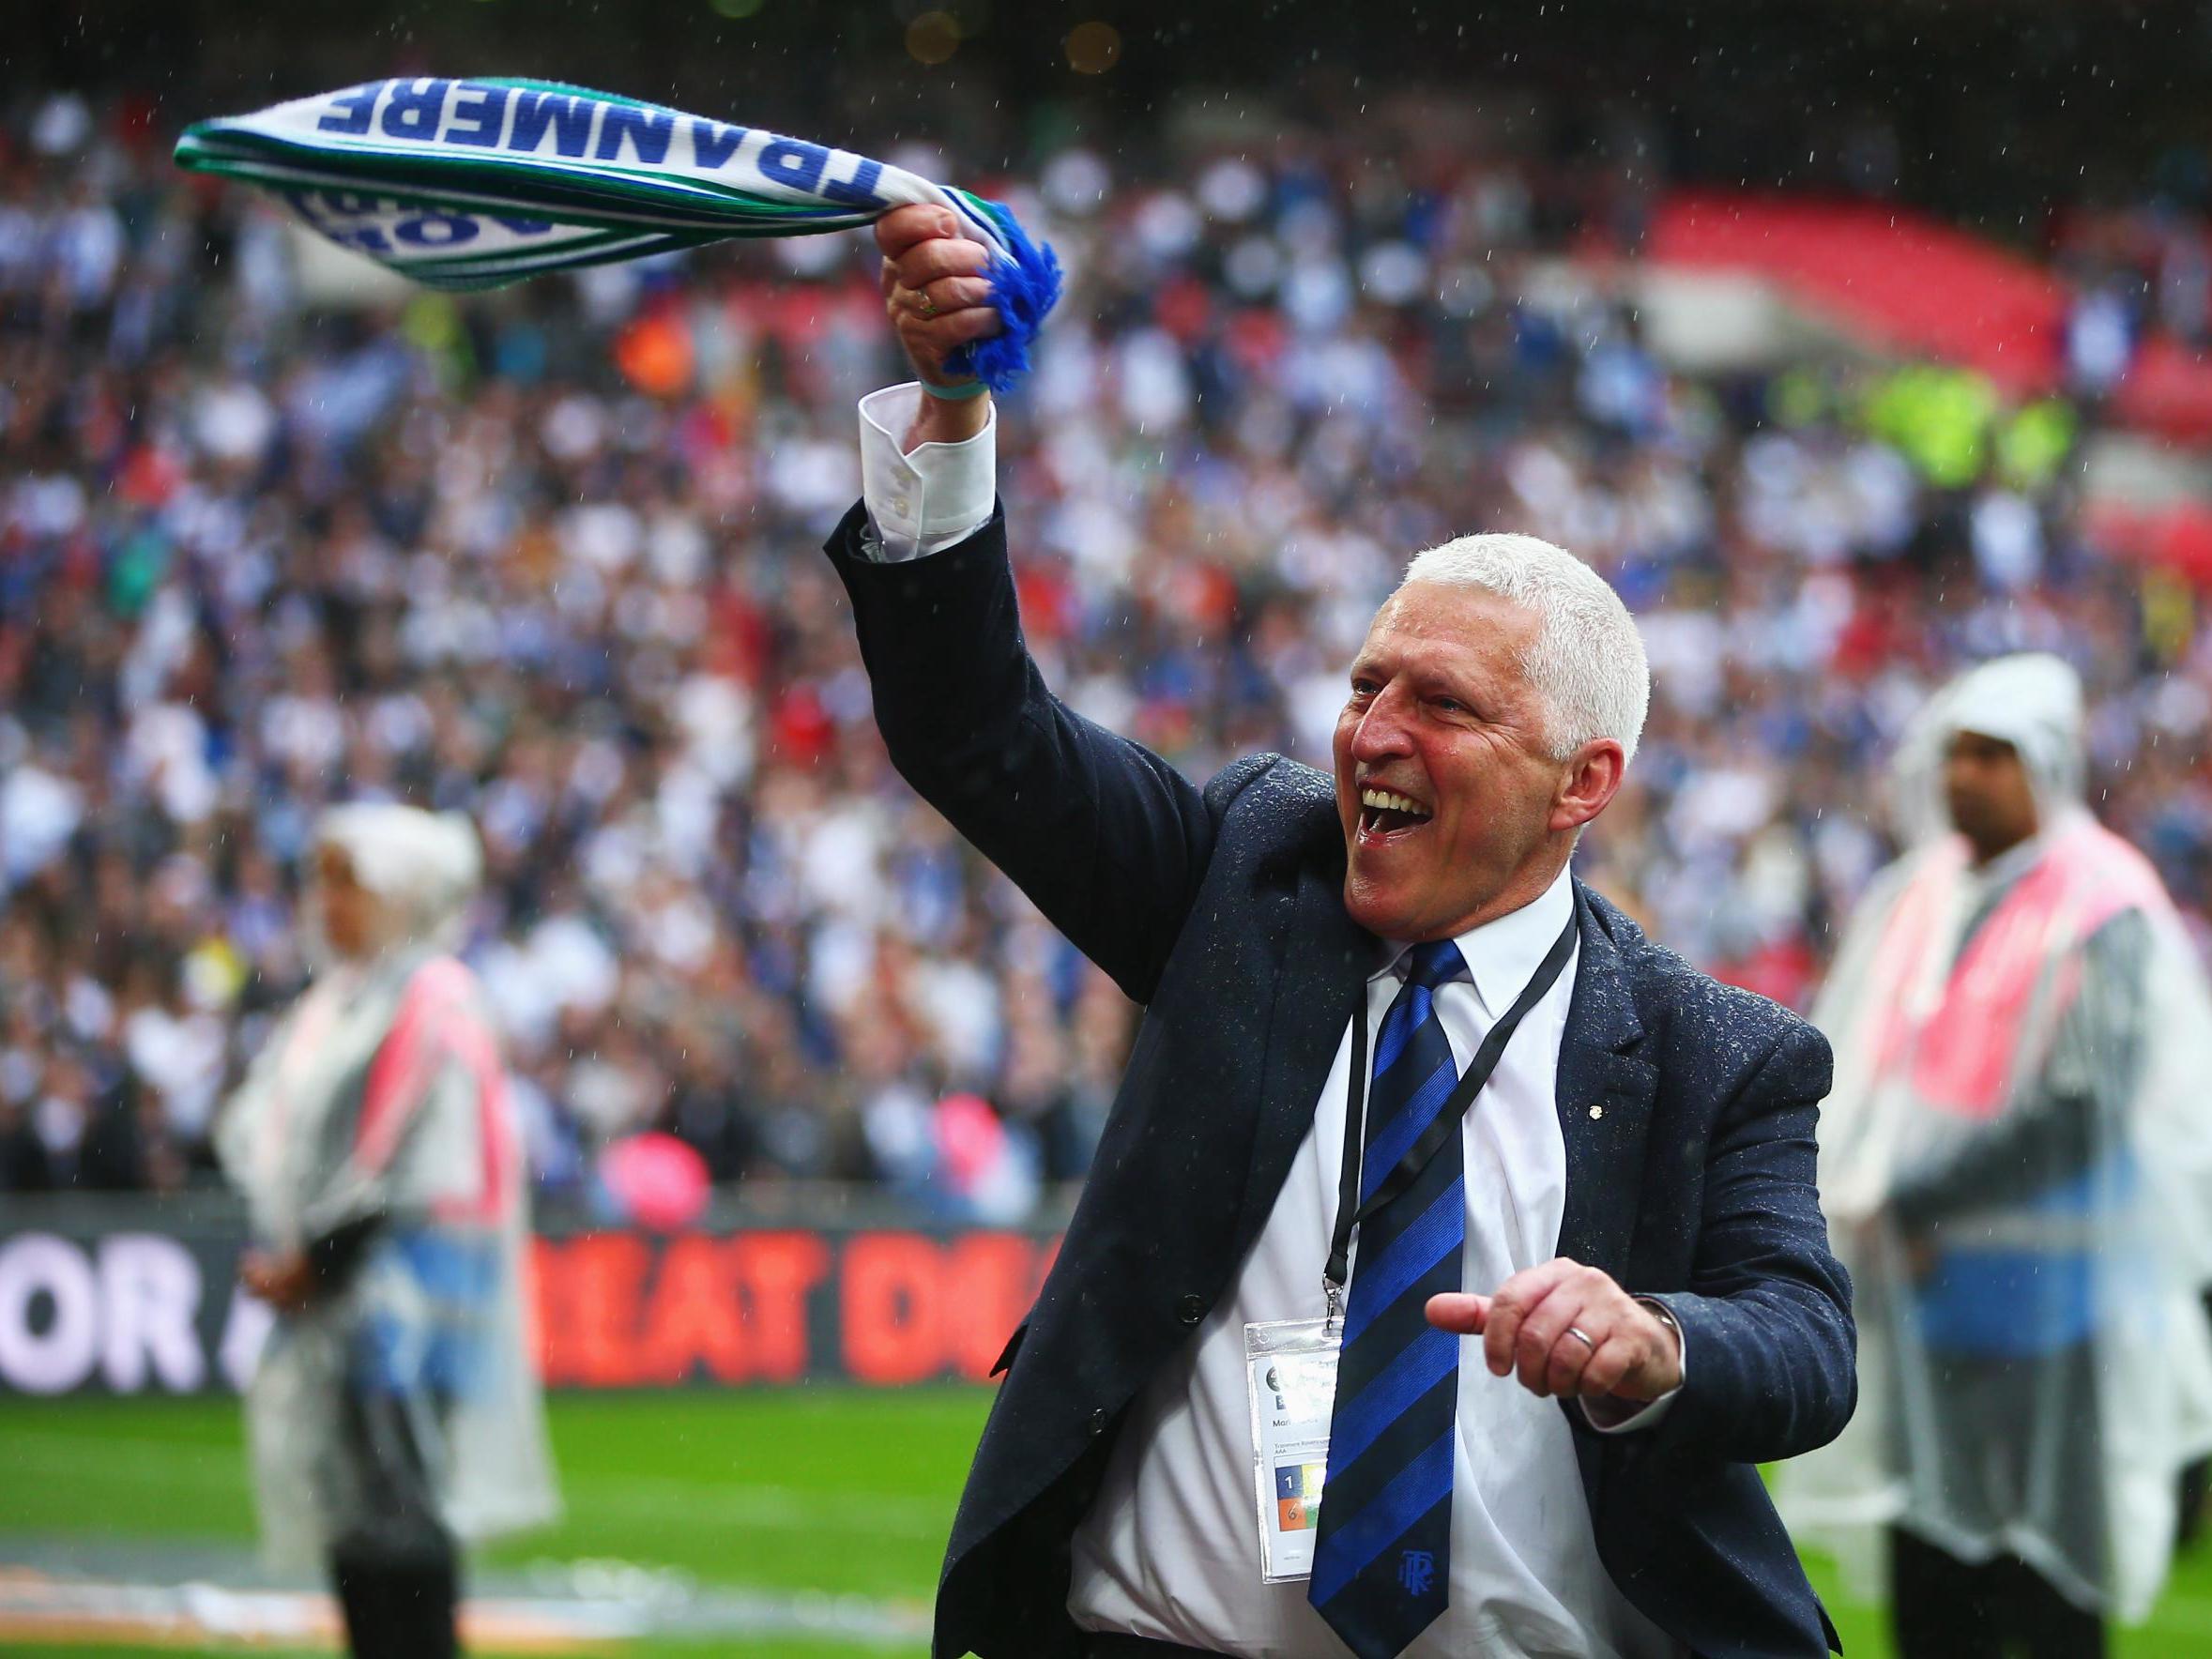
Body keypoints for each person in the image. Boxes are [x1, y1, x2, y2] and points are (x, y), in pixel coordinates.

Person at [830, 205, 1855, 1659]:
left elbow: (1807, 1344)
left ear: (1584, 782)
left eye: (1440, 704)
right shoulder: (1245, 875)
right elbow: (976, 729)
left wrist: (1655, 1344)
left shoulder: (1715, 1052)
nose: (1371, 734)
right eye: (1366, 685)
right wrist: (952, 400)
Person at [1777, 654, 2212, 1658]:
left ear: (2049, 766)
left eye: (1990, 755)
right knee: (1929, 1558)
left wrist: (1909, 1198)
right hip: (1924, 1291)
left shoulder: (2102, 904)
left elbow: (2075, 1109)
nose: (1960, 775)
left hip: (2046, 1300)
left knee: (2042, 1575)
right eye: (1952, 751)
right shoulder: (1922, 890)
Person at [216, 804, 557, 1659]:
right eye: (320, 879)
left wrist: (314, 1260)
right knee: (355, 1515)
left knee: (401, 1511)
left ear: (401, 895)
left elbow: (410, 1167)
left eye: (347, 881)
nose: (325, 902)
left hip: (410, 1292)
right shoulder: (341, 1000)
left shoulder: (431, 999)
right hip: (346, 1293)